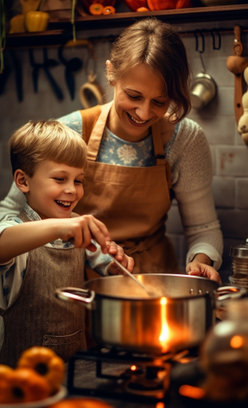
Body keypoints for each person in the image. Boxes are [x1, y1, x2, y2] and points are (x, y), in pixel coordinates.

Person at [0, 18, 223, 283]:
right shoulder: (69, 131)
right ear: (111, 73)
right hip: (73, 284)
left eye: (159, 102)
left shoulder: (184, 138)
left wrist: (201, 261)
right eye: (134, 96)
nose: (143, 113)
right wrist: (62, 227)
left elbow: (203, 229)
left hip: (148, 280)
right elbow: (9, 215)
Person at [0, 120, 134, 366]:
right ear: (23, 181)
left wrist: (117, 265)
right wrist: (60, 227)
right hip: (20, 378)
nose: (72, 190)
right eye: (60, 179)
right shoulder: (14, 227)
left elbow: (106, 262)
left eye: (78, 180)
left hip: (75, 367)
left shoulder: (76, 225)